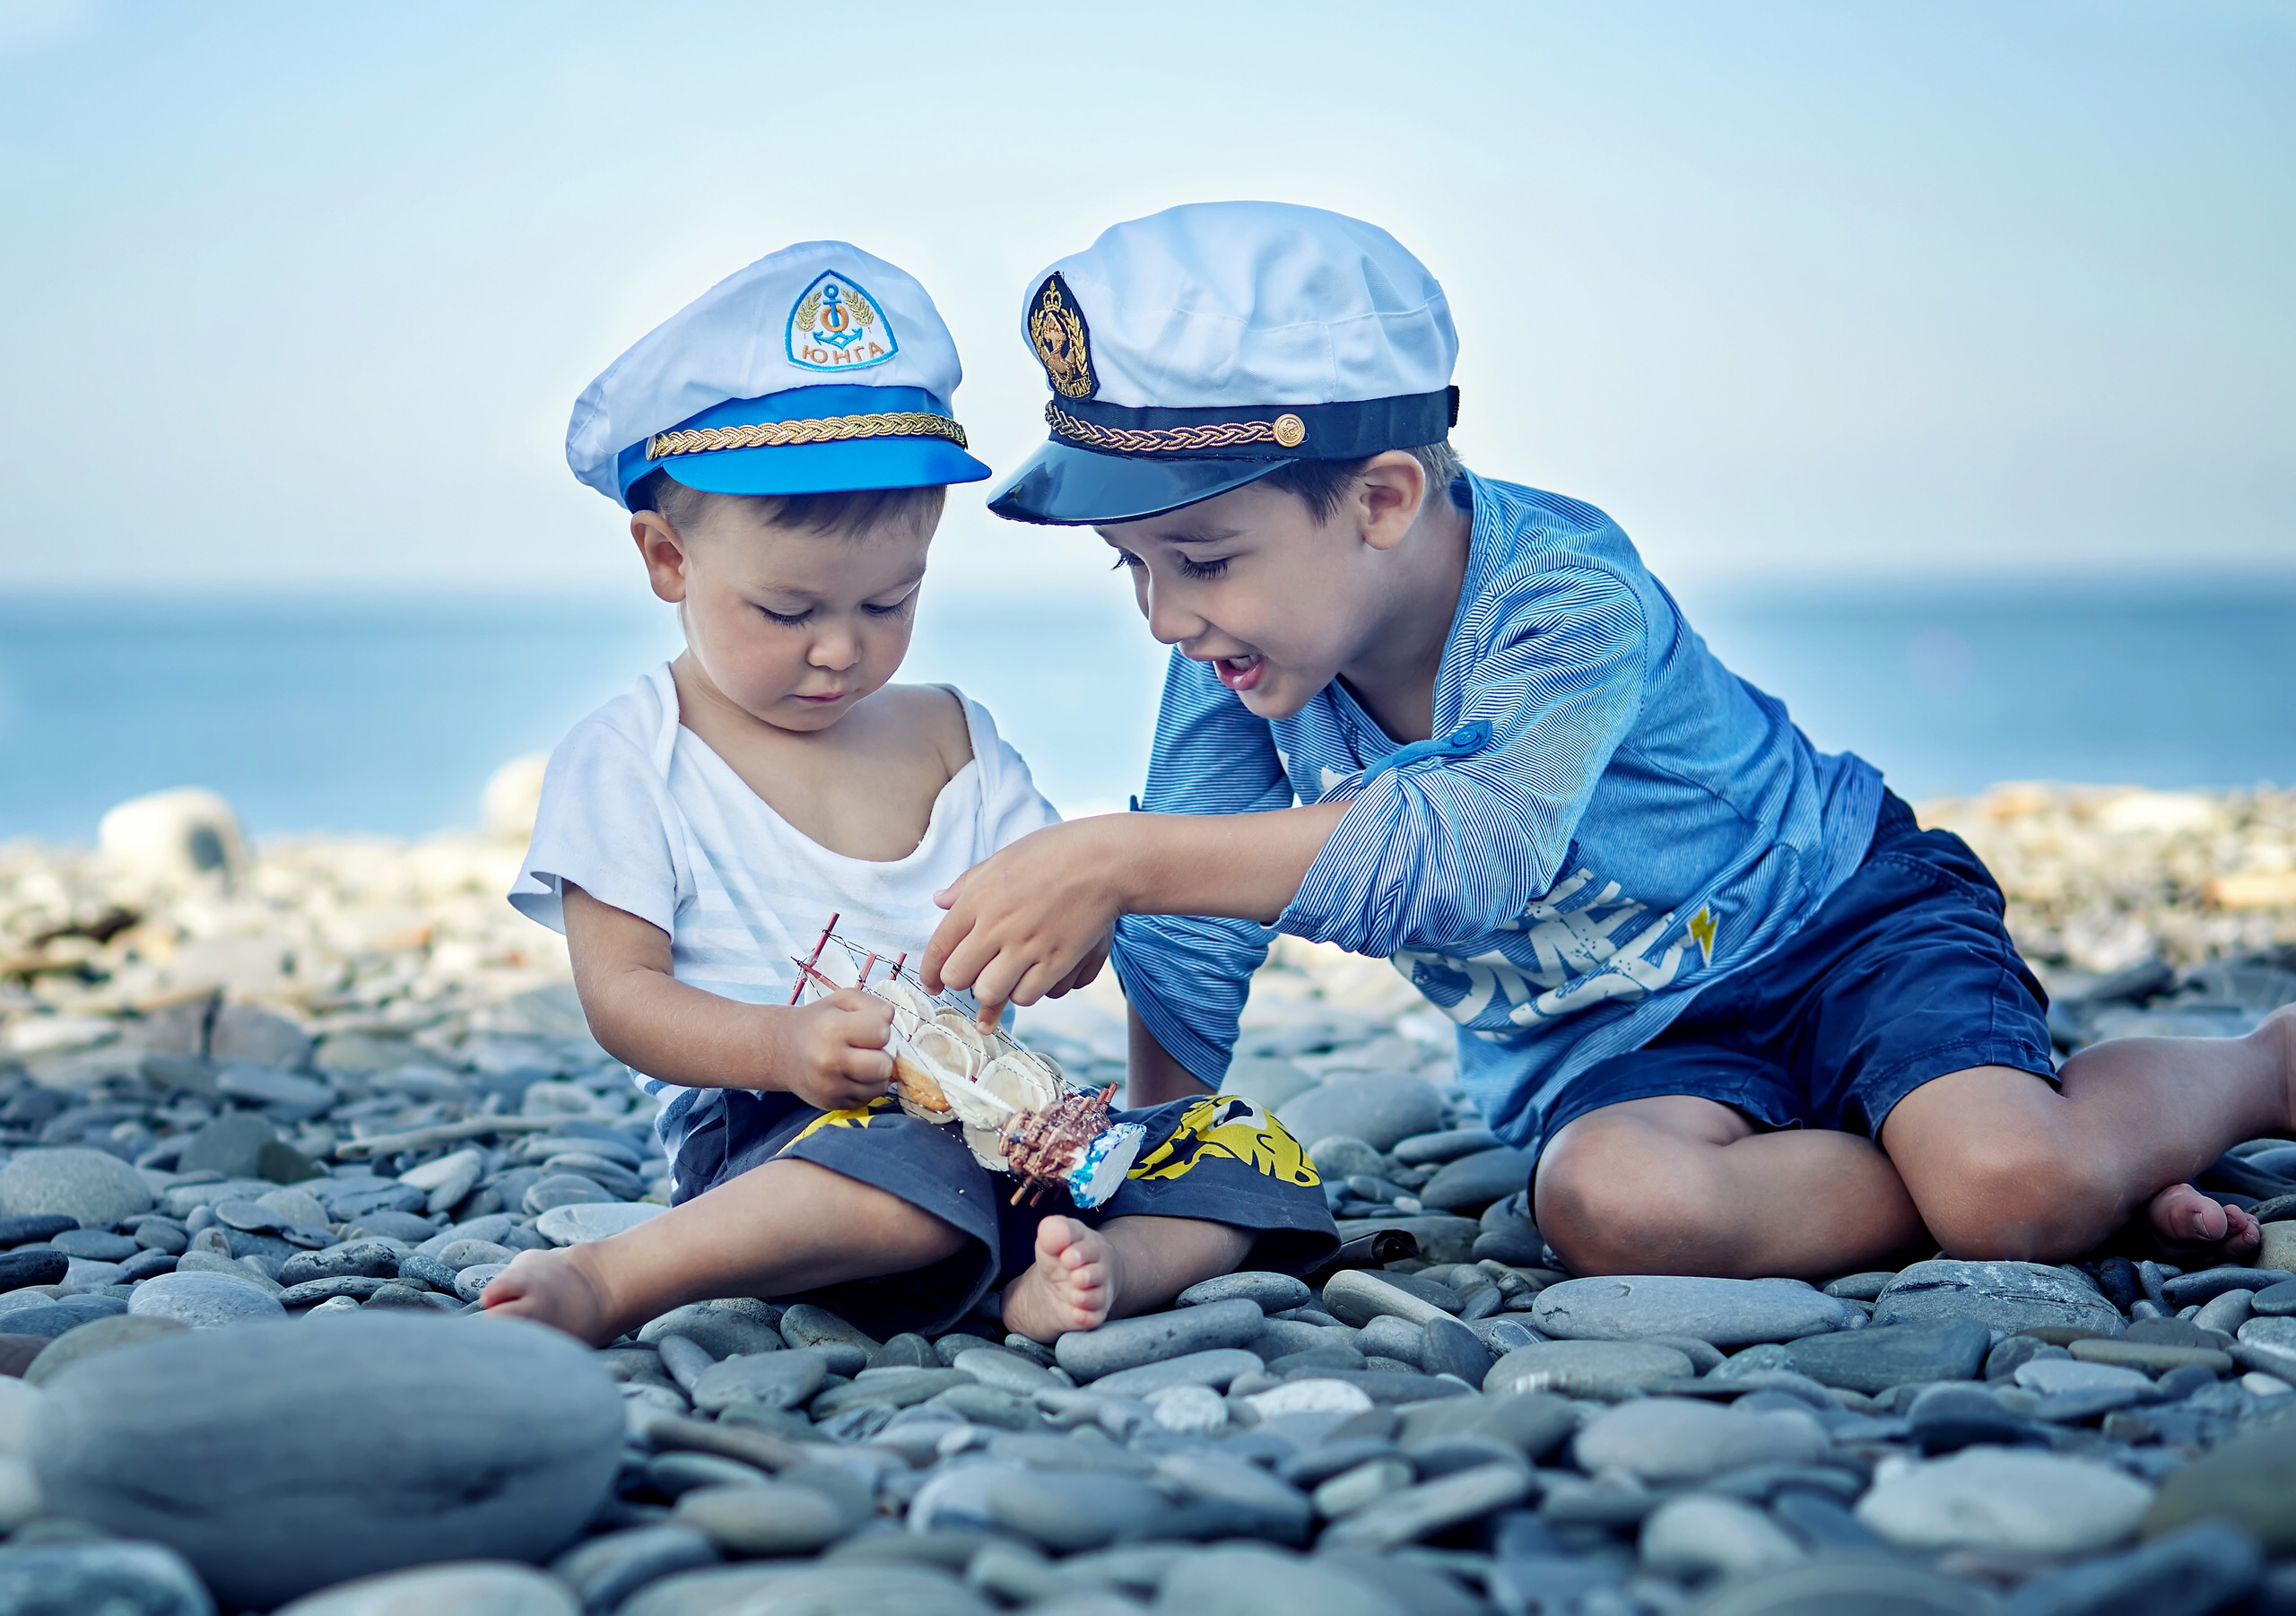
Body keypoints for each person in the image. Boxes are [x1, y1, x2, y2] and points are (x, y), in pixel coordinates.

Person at [921, 202, 2295, 1282]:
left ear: (1386, 496)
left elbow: (1475, 851)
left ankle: (2247, 1074)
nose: (1169, 616)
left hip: (1842, 928)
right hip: (1617, 1049)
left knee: (2014, 1186)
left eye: (1202, 559)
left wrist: (1120, 856)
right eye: (1133, 571)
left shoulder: (1567, 596)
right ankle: (1991, 1157)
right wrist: (1165, 1151)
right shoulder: (1245, 650)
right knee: (1608, 1204)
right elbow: (1192, 923)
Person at [481, 242, 1334, 1346]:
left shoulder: (948, 737)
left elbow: (1059, 928)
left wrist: (1063, 938)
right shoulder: (633, 754)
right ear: (666, 559)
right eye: (789, 612)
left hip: (994, 1118)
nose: (840, 648)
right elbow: (623, 998)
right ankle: (620, 1273)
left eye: (890, 602)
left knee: (1237, 1144)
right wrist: (781, 1046)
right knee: (896, 1165)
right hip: (783, 1127)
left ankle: (1090, 1268)